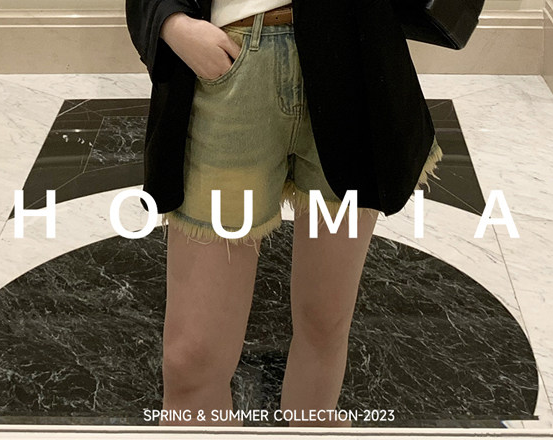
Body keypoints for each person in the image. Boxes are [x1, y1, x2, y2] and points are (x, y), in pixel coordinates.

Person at [142, 1, 443, 427]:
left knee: (325, 323)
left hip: (353, 60)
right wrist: (171, 24)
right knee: (193, 359)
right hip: (230, 64)